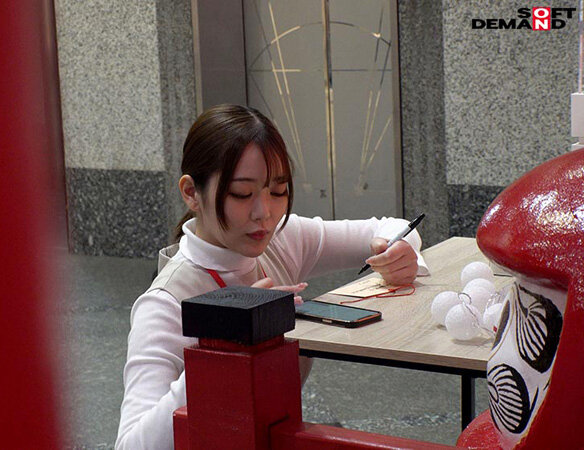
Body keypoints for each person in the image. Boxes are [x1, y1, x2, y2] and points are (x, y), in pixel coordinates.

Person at [115, 104, 428, 450]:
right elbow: (131, 445)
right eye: (241, 194)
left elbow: (394, 227)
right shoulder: (166, 302)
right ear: (191, 192)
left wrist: (399, 251)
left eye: (278, 191)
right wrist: (223, 346)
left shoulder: (281, 240)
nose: (264, 213)